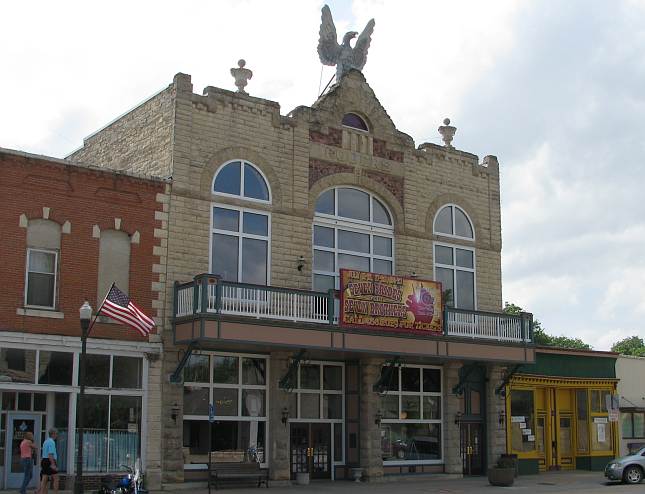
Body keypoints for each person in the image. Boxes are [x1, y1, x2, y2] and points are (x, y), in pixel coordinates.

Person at [39, 429, 58, 494]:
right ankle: (55, 492)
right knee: (56, 478)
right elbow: (50, 453)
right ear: (53, 434)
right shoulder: (52, 442)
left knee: (44, 479)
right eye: (56, 434)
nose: (56, 435)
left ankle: (42, 492)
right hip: (49, 460)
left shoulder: (45, 441)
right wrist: (53, 464)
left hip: (44, 460)